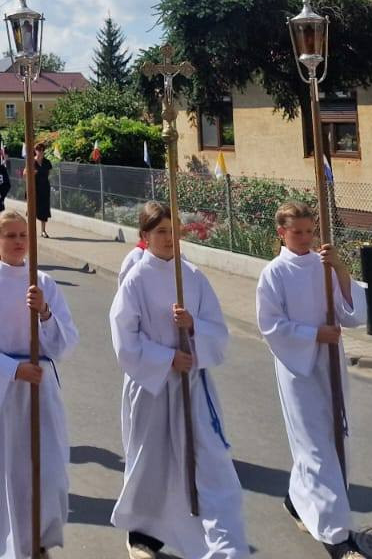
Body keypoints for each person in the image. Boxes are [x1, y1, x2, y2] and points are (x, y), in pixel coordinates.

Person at [109, 200, 245, 559]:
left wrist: (193, 327)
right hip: (152, 387)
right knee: (151, 461)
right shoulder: (136, 280)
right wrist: (168, 358)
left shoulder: (193, 277)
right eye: (161, 232)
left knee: (209, 462)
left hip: (193, 386)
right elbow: (125, 339)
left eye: (173, 231)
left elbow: (219, 331)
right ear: (145, 235)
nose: (169, 238)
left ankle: (218, 542)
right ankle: (142, 534)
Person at [0, 209, 79, 559]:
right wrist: (14, 370)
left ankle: (40, 539)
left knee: (49, 471)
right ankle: (16, 547)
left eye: (23, 235)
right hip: (6, 395)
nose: (18, 242)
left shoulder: (44, 284)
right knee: (12, 474)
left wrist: (45, 313)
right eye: (10, 236)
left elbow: (67, 342)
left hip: (42, 390)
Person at [256, 201, 365, 558]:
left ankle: (296, 499)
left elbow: (352, 316)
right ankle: (336, 536)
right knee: (315, 447)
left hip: (329, 363)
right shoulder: (274, 273)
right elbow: (271, 325)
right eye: (297, 232)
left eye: (309, 231)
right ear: (281, 233)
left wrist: (340, 269)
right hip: (298, 368)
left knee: (335, 438)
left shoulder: (324, 266)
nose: (305, 238)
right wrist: (314, 334)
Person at [29, 143, 53, 238]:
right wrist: (32, 174)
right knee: (32, 209)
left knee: (44, 210)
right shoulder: (31, 162)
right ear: (35, 151)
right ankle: (31, 230)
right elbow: (24, 174)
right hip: (33, 189)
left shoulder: (47, 162)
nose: (41, 152)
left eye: (42, 150)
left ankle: (43, 231)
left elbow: (48, 174)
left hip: (44, 188)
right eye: (39, 150)